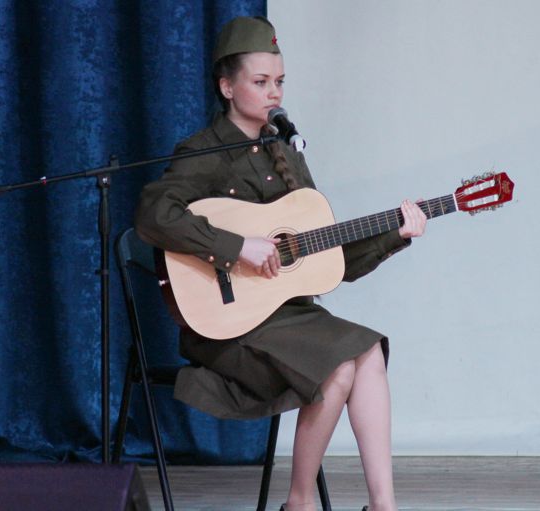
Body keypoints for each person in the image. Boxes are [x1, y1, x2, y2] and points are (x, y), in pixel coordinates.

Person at [135, 16, 427, 511]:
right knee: (337, 367)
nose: (274, 93)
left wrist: (394, 235)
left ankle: (384, 505)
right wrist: (234, 247)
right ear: (227, 87)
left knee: (369, 353)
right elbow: (153, 214)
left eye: (280, 81)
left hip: (288, 318)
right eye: (261, 81)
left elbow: (329, 261)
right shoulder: (203, 153)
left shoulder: (287, 155)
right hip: (229, 327)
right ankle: (299, 503)